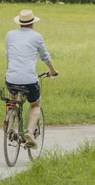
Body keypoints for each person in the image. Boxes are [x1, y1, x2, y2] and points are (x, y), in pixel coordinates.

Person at [4, 9, 56, 148]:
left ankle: (12, 127)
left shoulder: (10, 35)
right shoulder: (37, 36)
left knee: (12, 100)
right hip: (29, 80)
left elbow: (9, 56)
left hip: (11, 78)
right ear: (32, 23)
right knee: (35, 105)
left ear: (19, 23)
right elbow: (45, 57)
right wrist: (53, 71)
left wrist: (10, 73)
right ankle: (29, 132)